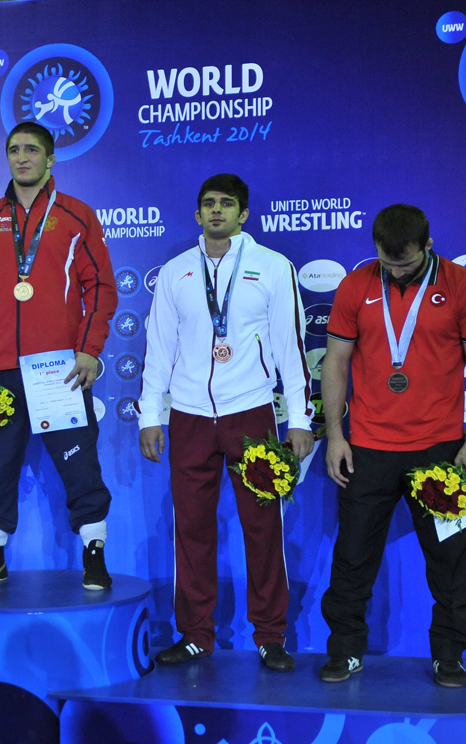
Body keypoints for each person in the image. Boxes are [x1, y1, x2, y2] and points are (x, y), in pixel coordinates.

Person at [137, 175, 313, 671]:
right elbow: (158, 349)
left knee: (263, 528)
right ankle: (196, 634)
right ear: (197, 215)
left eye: (227, 204)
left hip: (251, 412)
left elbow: (291, 348)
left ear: (244, 214)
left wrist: (300, 419)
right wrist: (150, 415)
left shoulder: (272, 267)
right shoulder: (175, 272)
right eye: (209, 204)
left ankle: (270, 636)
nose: (217, 211)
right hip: (189, 416)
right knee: (191, 529)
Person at [320, 204, 466, 688]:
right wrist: (335, 435)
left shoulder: (462, 285)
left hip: (441, 448)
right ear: (375, 248)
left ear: (428, 245)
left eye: (407, 263)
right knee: (353, 556)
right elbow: (335, 362)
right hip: (368, 446)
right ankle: (345, 650)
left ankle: (450, 655)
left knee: (452, 559)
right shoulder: (356, 285)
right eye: (388, 262)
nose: (397, 271)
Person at [0, 121, 118, 590]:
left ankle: (94, 553)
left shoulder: (77, 216)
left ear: (51, 158)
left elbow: (100, 288)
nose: (22, 157)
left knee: (79, 463)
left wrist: (88, 350)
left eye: (32, 150)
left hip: (57, 368)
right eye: (14, 150)